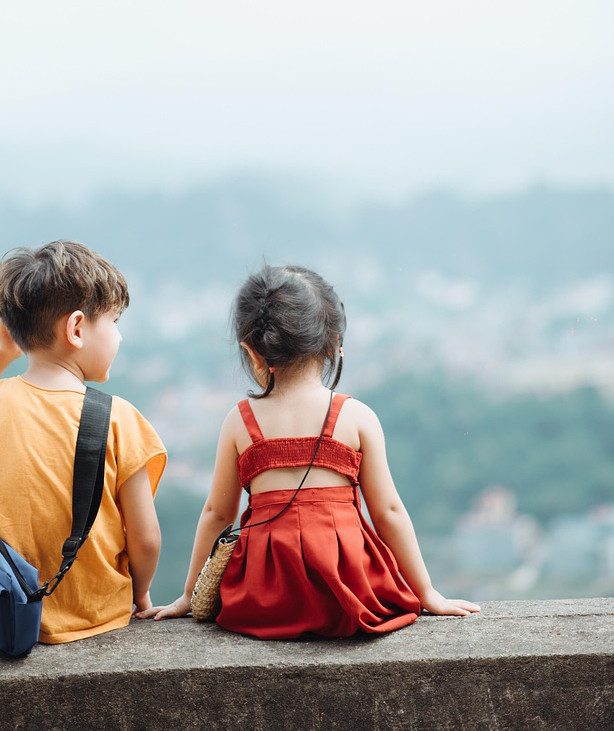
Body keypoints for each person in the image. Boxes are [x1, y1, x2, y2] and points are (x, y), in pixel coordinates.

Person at [140, 265, 479, 638]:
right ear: (334, 344)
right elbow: (388, 512)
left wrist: (190, 594)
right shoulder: (355, 417)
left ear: (252, 352)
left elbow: (217, 513)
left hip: (263, 599)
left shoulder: (239, 421)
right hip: (348, 593)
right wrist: (427, 592)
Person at [0, 240, 167, 644]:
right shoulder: (120, 419)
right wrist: (139, 591)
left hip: (10, 615)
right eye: (113, 321)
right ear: (76, 329)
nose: (119, 337)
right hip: (98, 620)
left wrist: (3, 353)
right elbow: (146, 539)